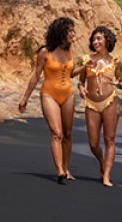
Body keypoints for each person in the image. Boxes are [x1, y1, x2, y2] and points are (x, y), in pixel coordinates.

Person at [18, 16, 79, 184]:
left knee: (67, 134)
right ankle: (59, 170)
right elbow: (36, 76)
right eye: (71, 31)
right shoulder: (45, 52)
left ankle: (66, 168)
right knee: (57, 133)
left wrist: (85, 68)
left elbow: (71, 73)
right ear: (61, 32)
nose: (74, 34)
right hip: (49, 94)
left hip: (68, 94)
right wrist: (25, 98)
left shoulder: (70, 51)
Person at [76, 25, 122, 187]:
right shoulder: (86, 59)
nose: (95, 41)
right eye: (94, 39)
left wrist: (120, 83)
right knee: (93, 143)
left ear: (107, 40)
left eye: (99, 38)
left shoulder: (116, 62)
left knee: (109, 139)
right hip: (91, 102)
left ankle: (107, 175)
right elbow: (81, 81)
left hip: (110, 100)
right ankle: (102, 162)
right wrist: (81, 89)